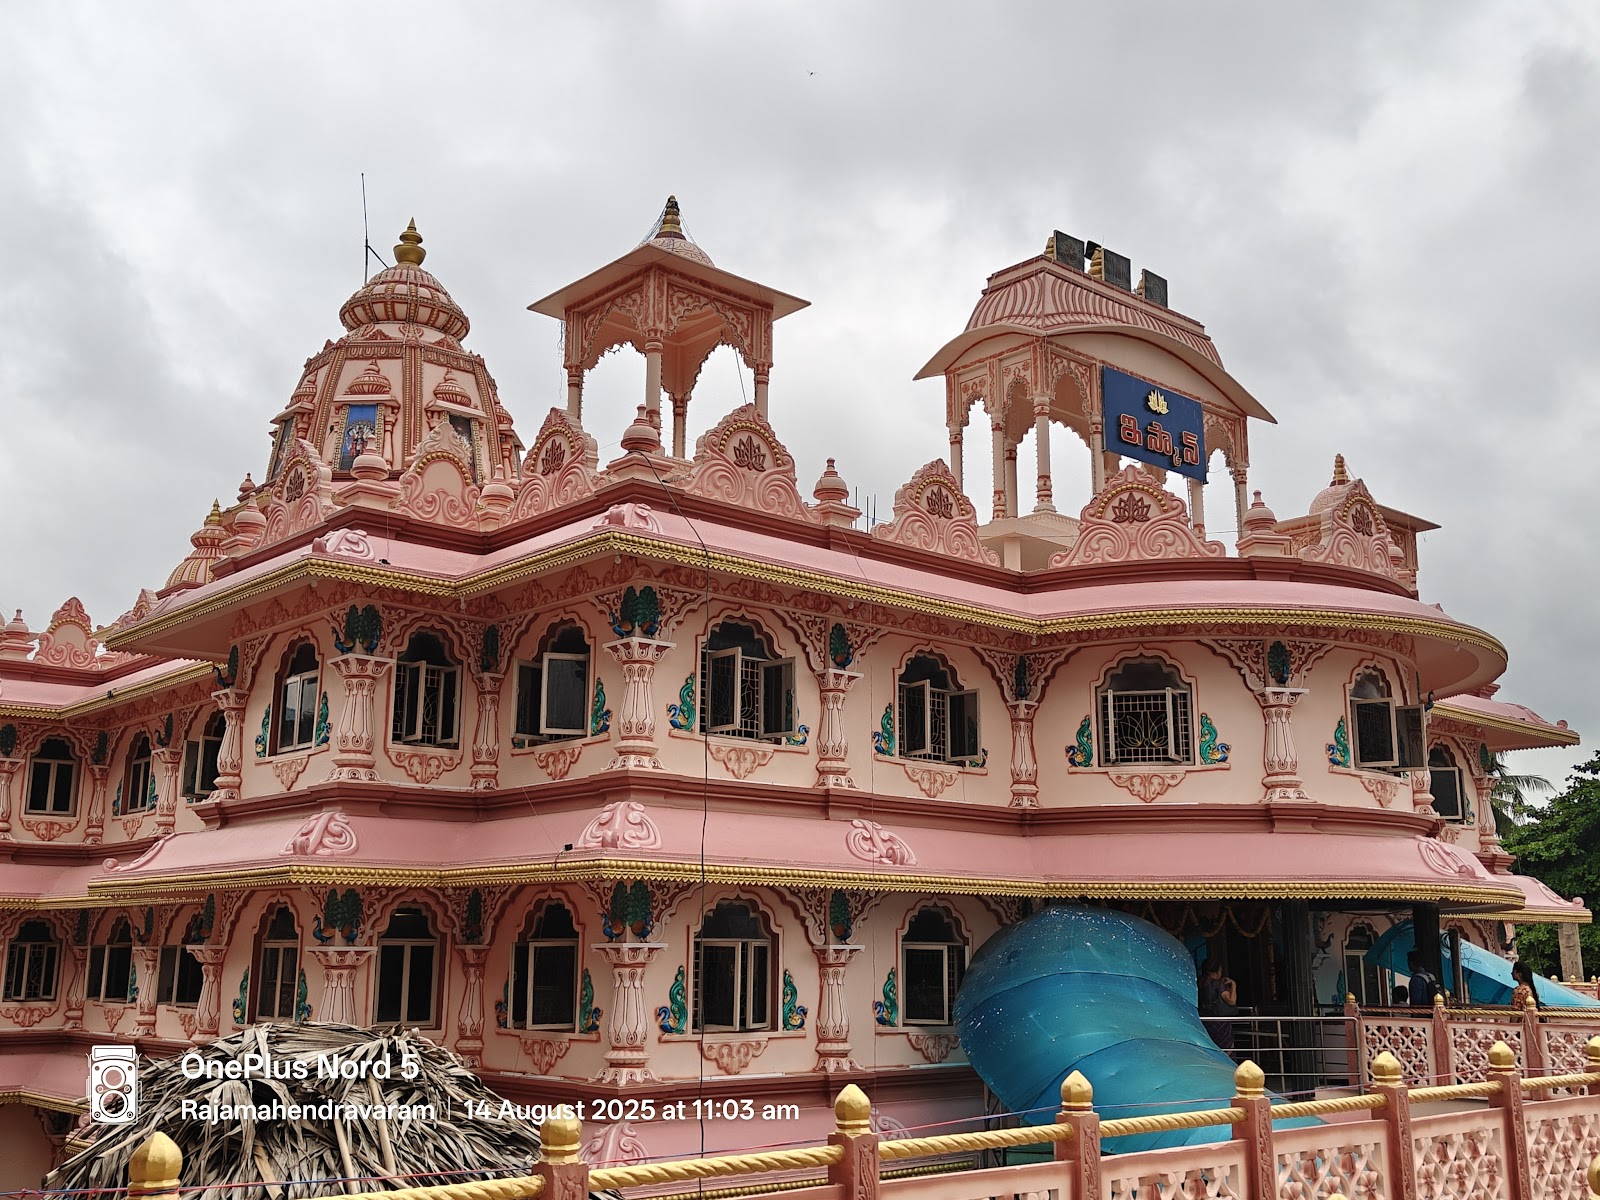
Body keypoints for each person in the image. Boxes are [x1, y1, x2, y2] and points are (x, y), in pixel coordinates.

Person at [1198, 957, 1240, 1051]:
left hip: (1204, 1020)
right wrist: (1233, 985)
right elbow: (1231, 1001)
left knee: (1210, 1047)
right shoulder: (1217, 984)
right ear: (1217, 972)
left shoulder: (1200, 983)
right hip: (1219, 1021)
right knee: (1225, 1049)